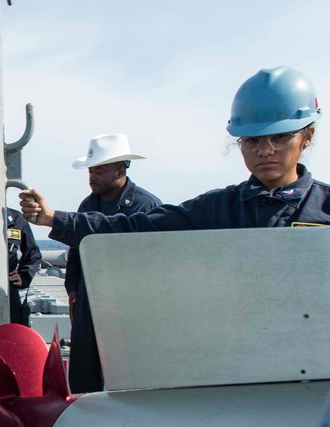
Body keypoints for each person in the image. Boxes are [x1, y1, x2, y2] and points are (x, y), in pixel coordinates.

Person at [21, 67, 329, 312]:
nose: (265, 150)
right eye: (252, 140)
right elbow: (133, 228)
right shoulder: (215, 209)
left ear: (307, 137)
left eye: (280, 137)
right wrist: (53, 219)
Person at [59, 134, 160, 393]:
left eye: (99, 170)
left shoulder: (145, 205)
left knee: (128, 373)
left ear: (121, 169)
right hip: (89, 300)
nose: (92, 176)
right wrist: (73, 290)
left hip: (129, 303)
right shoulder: (88, 204)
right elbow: (76, 250)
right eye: (91, 170)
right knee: (84, 371)